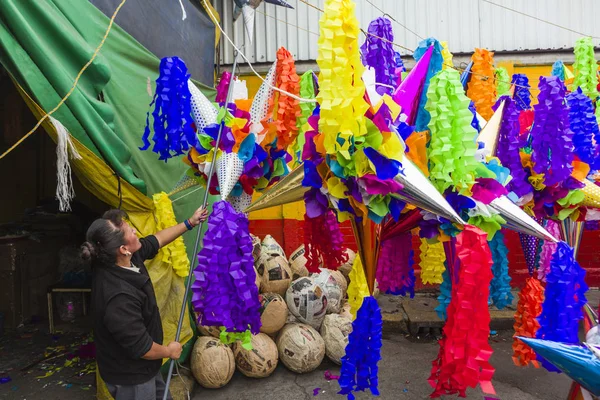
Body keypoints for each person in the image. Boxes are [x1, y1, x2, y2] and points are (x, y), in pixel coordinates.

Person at [81, 206, 208, 400]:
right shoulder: (118, 298)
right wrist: (169, 351)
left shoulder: (124, 258)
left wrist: (190, 222)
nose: (134, 230)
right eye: (129, 230)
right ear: (123, 249)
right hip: (130, 377)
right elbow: (143, 348)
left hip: (145, 368)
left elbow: (156, 240)